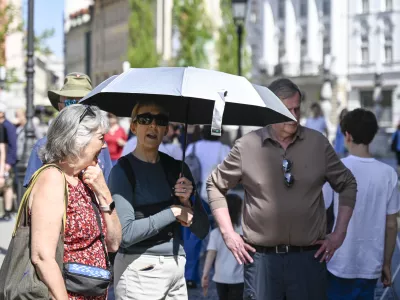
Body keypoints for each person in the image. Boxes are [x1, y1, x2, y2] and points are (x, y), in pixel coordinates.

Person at [206, 78, 357, 300]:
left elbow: (347, 184)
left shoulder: (318, 143)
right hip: (262, 261)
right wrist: (228, 235)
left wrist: (339, 234)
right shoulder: (247, 146)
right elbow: (215, 185)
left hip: (307, 260)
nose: (294, 116)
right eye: (287, 110)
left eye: (297, 109)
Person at [109, 100, 209, 300]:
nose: (153, 125)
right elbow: (126, 234)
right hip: (139, 270)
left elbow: (202, 229)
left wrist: (187, 203)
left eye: (160, 120)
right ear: (134, 126)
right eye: (146, 119)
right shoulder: (122, 171)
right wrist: (173, 212)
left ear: (166, 129)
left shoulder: (178, 169)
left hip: (175, 267)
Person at [29, 104, 121, 299]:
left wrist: (104, 192)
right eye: (100, 138)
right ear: (79, 140)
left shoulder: (84, 179)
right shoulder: (53, 178)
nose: (104, 145)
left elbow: (114, 243)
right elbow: (42, 257)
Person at [322, 108, 400, 299]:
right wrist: (387, 264)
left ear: (347, 135)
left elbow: (321, 210)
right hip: (371, 263)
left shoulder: (336, 169)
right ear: (372, 136)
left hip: (338, 260)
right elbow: (391, 225)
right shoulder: (388, 173)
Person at [23, 72, 113, 188]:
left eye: (84, 102)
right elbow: (32, 194)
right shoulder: (43, 146)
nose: (77, 109)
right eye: (71, 102)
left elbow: (109, 185)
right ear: (61, 107)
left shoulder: (100, 145)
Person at [183, 125, 231, 287]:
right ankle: (226, 273)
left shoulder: (193, 147)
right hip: (218, 196)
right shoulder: (224, 149)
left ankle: (190, 276)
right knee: (223, 234)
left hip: (195, 195)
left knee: (193, 237)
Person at [201, 194, 244, 300]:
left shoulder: (216, 233)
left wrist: (205, 275)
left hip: (220, 277)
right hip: (239, 278)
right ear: (239, 211)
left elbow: (210, 254)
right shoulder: (243, 233)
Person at [0, 103, 17, 222]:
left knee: (7, 186)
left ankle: (7, 211)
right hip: (5, 161)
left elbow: (12, 146)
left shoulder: (7, 126)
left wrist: (8, 163)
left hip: (6, 163)